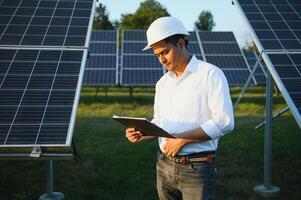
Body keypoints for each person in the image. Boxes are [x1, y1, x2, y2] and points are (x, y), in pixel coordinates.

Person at [125, 16, 234, 200]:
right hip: (164, 165)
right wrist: (143, 133)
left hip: (196, 168)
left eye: (165, 52)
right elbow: (160, 122)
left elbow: (224, 122)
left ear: (181, 43)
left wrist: (182, 139)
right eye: (157, 55)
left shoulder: (210, 74)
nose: (161, 60)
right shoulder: (162, 83)